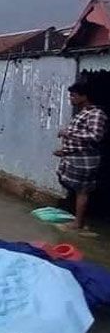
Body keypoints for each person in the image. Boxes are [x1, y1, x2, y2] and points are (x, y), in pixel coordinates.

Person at [54, 82, 107, 230]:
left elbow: (95, 136)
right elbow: (80, 139)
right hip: (74, 156)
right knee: (72, 186)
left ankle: (78, 222)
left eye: (73, 95)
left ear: (84, 96)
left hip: (85, 159)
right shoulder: (83, 112)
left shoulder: (96, 114)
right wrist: (65, 151)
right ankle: (76, 216)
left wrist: (68, 133)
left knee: (82, 190)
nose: (71, 99)